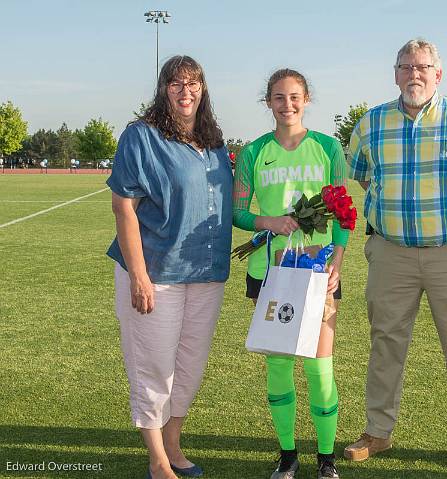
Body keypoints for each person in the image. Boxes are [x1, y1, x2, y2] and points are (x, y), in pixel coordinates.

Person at [344, 38, 447, 476]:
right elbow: (363, 177)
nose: (414, 74)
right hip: (391, 252)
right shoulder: (371, 122)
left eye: (422, 67)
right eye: (406, 67)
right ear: (395, 73)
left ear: (438, 74)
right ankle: (377, 431)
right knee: (385, 343)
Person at [107, 55, 233, 479]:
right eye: (177, 83)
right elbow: (124, 207)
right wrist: (138, 275)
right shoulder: (140, 136)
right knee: (153, 366)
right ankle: (158, 461)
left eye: (194, 83)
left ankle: (174, 445)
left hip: (205, 273)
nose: (186, 91)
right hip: (156, 271)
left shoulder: (213, 141)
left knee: (190, 366)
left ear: (203, 89)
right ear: (164, 89)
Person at [233, 68, 348, 479]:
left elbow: (343, 212)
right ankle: (287, 454)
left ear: (307, 99)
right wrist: (270, 222)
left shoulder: (329, 149)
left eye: (295, 96)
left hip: (318, 271)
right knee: (279, 365)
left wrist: (338, 260)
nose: (288, 104)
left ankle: (327, 457)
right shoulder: (252, 153)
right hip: (271, 273)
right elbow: (238, 212)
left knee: (320, 367)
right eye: (279, 97)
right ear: (269, 102)